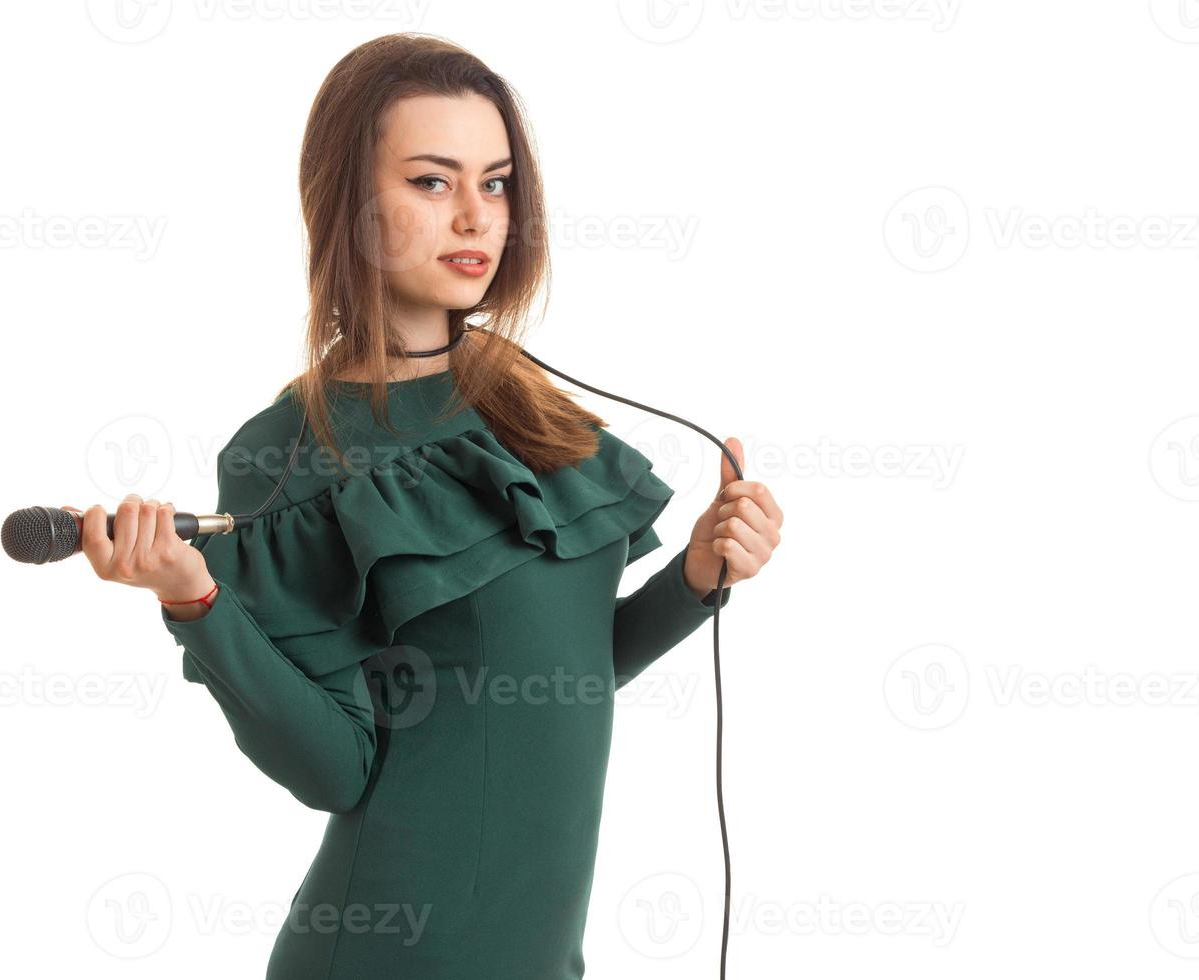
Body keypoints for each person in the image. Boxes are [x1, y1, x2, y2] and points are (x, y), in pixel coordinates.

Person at [64, 32, 784, 980]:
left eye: (495, 183)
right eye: (433, 183)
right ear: (350, 204)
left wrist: (697, 577)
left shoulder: (532, 408)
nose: (476, 219)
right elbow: (335, 769)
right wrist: (197, 601)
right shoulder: (284, 456)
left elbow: (567, 670)